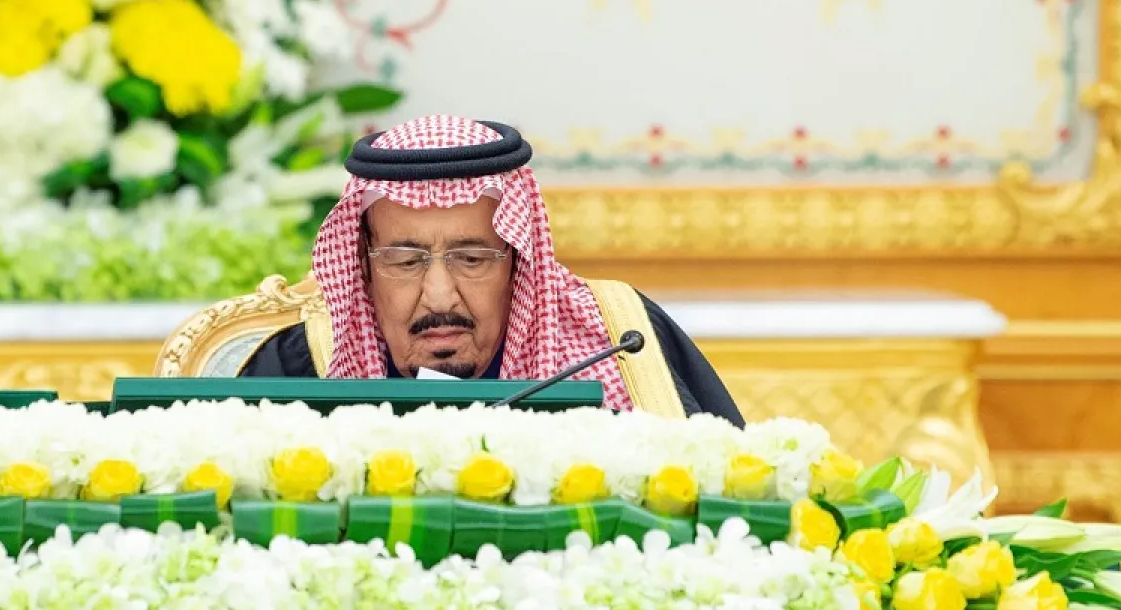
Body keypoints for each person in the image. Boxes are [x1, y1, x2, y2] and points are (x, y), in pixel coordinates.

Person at [240, 114, 744, 424]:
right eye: (405, 260)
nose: (439, 296)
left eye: (472, 258)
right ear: (363, 269)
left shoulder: (621, 343)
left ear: (518, 266)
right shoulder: (300, 366)